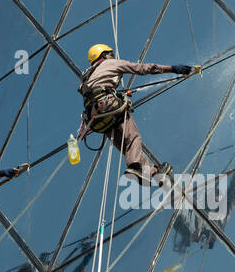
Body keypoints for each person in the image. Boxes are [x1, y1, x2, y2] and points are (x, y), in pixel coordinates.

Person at [78, 44, 191, 183]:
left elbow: (94, 91)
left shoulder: (86, 76)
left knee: (128, 147)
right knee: (133, 137)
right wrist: (172, 69)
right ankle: (135, 167)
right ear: (104, 55)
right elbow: (143, 68)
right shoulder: (110, 63)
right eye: (111, 54)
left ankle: (153, 171)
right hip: (108, 106)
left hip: (96, 118)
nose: (113, 56)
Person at [171, 140, 235, 253]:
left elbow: (177, 220)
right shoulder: (220, 214)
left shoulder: (196, 225)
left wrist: (189, 237)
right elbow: (234, 189)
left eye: (217, 195)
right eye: (215, 194)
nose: (217, 197)